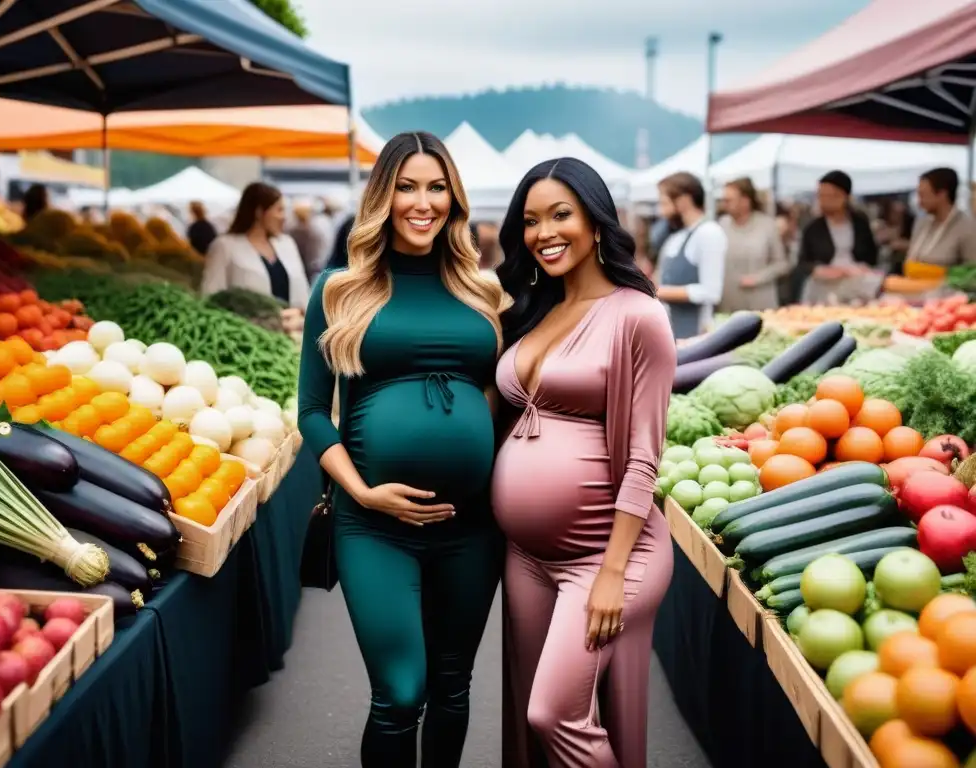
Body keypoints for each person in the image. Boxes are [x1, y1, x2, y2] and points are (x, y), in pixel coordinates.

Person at [297, 131, 504, 768]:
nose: (423, 202)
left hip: (472, 524)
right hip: (374, 524)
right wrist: (360, 490)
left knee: (452, 686)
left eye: (436, 187)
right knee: (400, 691)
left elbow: (499, 395)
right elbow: (310, 410)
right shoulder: (340, 289)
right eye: (406, 187)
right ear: (381, 198)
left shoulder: (484, 291)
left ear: (455, 198)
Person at [495, 157, 676, 768]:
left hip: (605, 555)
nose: (544, 232)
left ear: (596, 222)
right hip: (526, 555)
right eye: (530, 220)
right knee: (527, 720)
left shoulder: (639, 316)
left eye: (560, 215)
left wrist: (611, 574)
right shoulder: (535, 310)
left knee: (553, 713)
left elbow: (646, 458)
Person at [200, 182, 309, 334]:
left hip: (294, 335)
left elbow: (303, 292)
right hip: (247, 337)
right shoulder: (224, 246)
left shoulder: (287, 244)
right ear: (259, 212)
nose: (284, 217)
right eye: (279, 210)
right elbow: (211, 298)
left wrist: (300, 316)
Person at [654, 172, 727, 339]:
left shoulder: (709, 233)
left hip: (696, 335)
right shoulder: (676, 237)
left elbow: (711, 292)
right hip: (670, 332)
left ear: (684, 200)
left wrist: (658, 292)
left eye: (664, 202)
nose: (661, 210)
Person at [793, 170, 880, 304]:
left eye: (830, 196)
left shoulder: (860, 223)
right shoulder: (813, 228)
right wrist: (822, 270)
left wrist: (862, 267)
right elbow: (803, 263)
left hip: (857, 284)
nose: (824, 201)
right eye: (821, 196)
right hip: (824, 287)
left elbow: (871, 255)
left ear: (844, 196)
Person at [718, 177, 789, 312]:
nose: (724, 204)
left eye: (729, 200)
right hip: (729, 304)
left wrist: (758, 278)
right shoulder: (722, 225)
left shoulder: (767, 225)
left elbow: (782, 264)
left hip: (761, 303)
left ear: (745, 201)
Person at [906, 167, 976, 268]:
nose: (919, 202)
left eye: (923, 195)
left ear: (942, 195)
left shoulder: (967, 228)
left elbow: (972, 272)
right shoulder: (921, 223)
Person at [290, 198, 331, 285]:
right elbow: (316, 255)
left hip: (296, 270)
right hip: (310, 270)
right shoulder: (313, 232)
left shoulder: (290, 231)